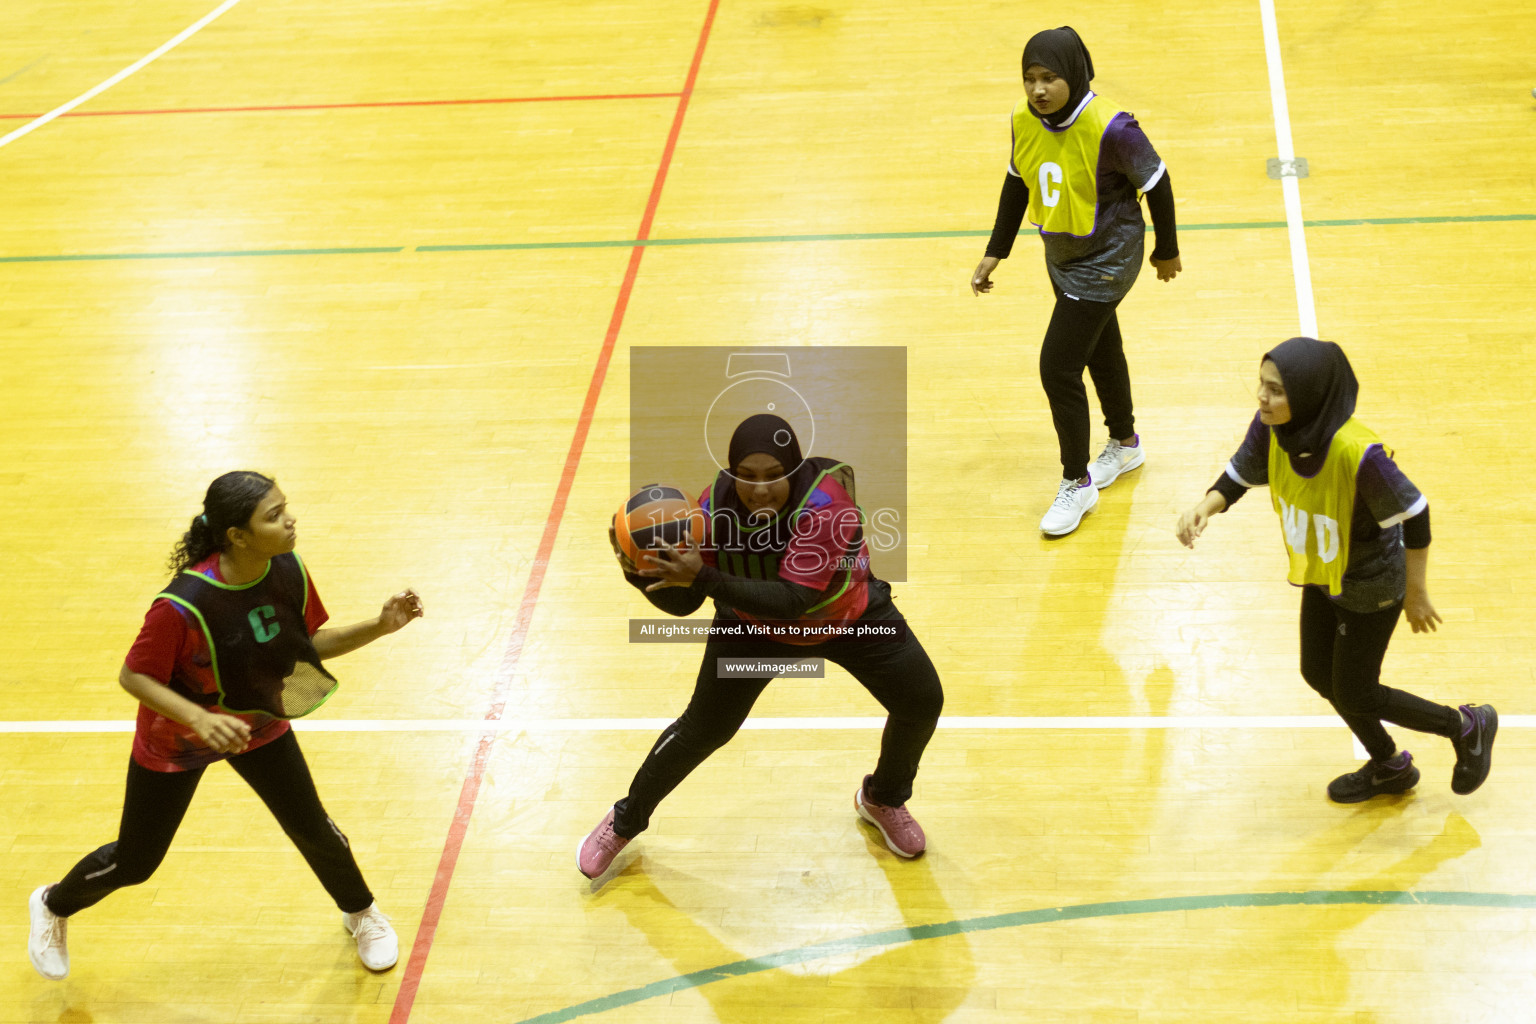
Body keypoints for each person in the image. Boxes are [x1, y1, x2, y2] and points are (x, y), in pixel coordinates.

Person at [27, 471, 424, 980]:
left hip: (256, 720)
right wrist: (198, 718)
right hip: (178, 737)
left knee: (313, 827)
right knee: (137, 861)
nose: (290, 519)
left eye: (285, 507)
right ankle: (54, 905)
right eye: (274, 515)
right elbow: (133, 675)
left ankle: (361, 912)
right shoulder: (182, 606)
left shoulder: (287, 569)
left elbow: (302, 647)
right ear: (237, 535)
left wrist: (379, 626)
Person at [579, 415, 944, 878]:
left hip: (849, 619)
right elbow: (686, 602)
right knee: (703, 729)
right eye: (746, 477)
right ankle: (625, 820)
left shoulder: (829, 508)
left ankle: (883, 799)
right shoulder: (709, 512)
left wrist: (705, 576)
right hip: (753, 631)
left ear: (793, 470)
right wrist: (638, 570)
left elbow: (795, 600)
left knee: (921, 700)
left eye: (775, 475)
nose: (761, 490)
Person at [1175, 338, 1496, 803]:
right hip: (1323, 572)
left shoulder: (1359, 456)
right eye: (1261, 385)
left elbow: (1417, 513)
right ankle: (1389, 766)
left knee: (1358, 691)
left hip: (1372, 585)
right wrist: (1205, 506)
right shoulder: (1275, 428)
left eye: (1275, 390)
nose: (1261, 399)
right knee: (1317, 673)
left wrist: (1416, 593)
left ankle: (1466, 726)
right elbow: (1243, 471)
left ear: (1307, 396)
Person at [971, 25, 1182, 536]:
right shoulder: (1025, 120)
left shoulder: (1113, 128)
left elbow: (1157, 182)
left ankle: (1077, 481)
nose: (1038, 89)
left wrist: (1165, 249)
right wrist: (994, 251)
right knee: (1099, 346)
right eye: (1029, 79)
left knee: (1057, 367)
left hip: (1109, 258)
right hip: (1062, 254)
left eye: (1049, 78)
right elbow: (1017, 183)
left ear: (1076, 75)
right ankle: (1125, 444)